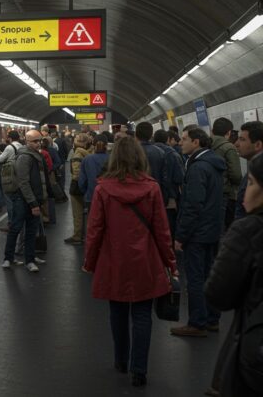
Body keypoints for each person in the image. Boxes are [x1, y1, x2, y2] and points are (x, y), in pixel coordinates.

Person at [82, 137, 178, 388]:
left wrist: (89, 261)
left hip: (114, 259)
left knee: (118, 311)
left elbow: (95, 230)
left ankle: (121, 360)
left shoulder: (103, 189)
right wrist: (170, 262)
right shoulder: (152, 188)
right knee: (143, 315)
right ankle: (139, 370)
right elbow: (161, 230)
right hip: (145, 259)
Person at [204, 154, 263, 397]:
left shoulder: (249, 231)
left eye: (250, 183)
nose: (244, 192)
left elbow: (218, 295)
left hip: (254, 348)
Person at [171, 128, 226, 337]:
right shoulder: (214, 164)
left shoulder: (197, 168)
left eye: (184, 140)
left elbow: (192, 204)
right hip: (212, 229)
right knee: (209, 275)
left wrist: (181, 235)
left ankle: (197, 322)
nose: (180, 142)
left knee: (194, 278)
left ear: (196, 142)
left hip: (197, 232)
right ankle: (212, 318)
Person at [2, 130, 46, 272]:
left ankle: (30, 259)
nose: (38, 143)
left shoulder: (36, 155)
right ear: (27, 141)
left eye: (39, 140)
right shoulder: (24, 157)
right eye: (35, 141)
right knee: (16, 228)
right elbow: (23, 182)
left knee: (31, 231)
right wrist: (33, 203)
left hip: (34, 198)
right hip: (23, 199)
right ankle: (8, 258)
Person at [210, 117, 242, 230]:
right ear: (229, 132)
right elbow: (236, 175)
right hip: (226, 194)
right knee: (227, 225)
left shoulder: (206, 145)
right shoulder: (229, 147)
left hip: (209, 191)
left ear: (212, 130)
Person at [153, 129, 185, 238]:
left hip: (151, 197)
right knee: (170, 226)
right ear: (167, 139)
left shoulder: (146, 152)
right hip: (170, 198)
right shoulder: (173, 154)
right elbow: (179, 178)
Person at [66, 133, 92, 244]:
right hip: (90, 187)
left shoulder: (77, 154)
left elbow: (76, 174)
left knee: (77, 213)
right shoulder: (91, 152)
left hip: (77, 187)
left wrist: (80, 187)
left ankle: (77, 236)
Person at [234, 121, 263, 219]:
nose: (236, 144)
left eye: (242, 139)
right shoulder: (253, 171)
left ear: (258, 145)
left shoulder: (258, 174)